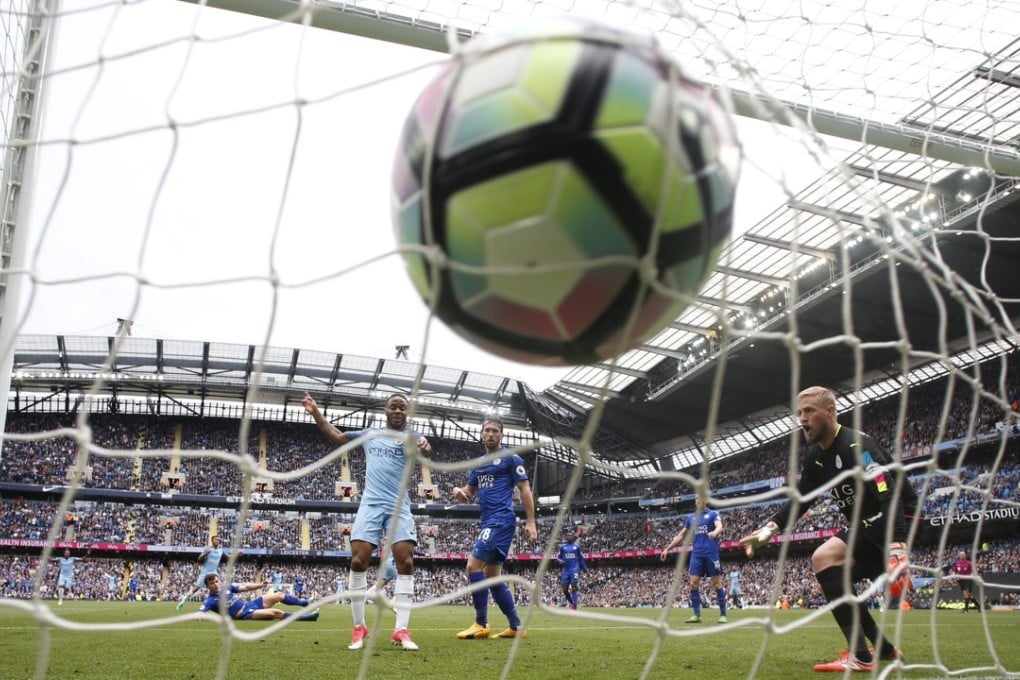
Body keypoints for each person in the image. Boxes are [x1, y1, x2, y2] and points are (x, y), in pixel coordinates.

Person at [739, 386, 914, 673]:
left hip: (896, 515)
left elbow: (887, 490)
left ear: (831, 412)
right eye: (799, 413)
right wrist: (769, 530)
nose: (802, 419)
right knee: (834, 577)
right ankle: (881, 648)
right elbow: (801, 500)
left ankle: (860, 656)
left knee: (824, 558)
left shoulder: (859, 446)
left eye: (809, 411)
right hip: (870, 522)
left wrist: (897, 544)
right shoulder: (815, 458)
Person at [303, 391, 430, 651]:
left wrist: (425, 447)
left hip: (399, 506)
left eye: (402, 407)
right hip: (371, 504)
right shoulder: (370, 434)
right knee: (358, 560)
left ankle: (401, 630)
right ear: (385, 410)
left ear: (407, 412)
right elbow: (337, 437)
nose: (397, 410)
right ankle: (359, 627)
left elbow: (425, 448)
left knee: (406, 562)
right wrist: (316, 413)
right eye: (393, 406)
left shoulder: (412, 437)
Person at [452, 416, 538, 640]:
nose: (490, 434)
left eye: (494, 431)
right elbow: (469, 493)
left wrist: (531, 522)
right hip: (488, 520)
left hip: (500, 520)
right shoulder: (479, 464)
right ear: (482, 434)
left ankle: (481, 623)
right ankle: (516, 627)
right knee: (492, 574)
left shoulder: (511, 458)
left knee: (473, 566)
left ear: (501, 435)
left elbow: (525, 489)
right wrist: (459, 492)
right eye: (487, 430)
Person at [660, 495, 728, 624]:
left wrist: (715, 533)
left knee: (716, 584)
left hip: (711, 554)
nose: (698, 499)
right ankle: (697, 615)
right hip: (696, 554)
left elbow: (719, 526)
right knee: (693, 583)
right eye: (697, 498)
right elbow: (681, 536)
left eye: (700, 497)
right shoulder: (691, 518)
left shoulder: (713, 514)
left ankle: (723, 615)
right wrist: (667, 549)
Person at [198, 574, 319, 622]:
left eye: (216, 581)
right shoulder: (210, 600)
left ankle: (305, 603)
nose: (215, 584)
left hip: (250, 604)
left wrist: (261, 585)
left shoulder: (226, 587)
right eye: (212, 583)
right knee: (276, 612)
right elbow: (201, 611)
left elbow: (245, 586)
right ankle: (308, 618)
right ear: (207, 586)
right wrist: (200, 616)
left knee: (279, 595)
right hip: (245, 613)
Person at [176, 535, 242, 611]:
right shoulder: (207, 549)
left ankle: (223, 604)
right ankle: (183, 601)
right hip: (205, 572)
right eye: (216, 539)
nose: (217, 541)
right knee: (196, 588)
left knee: (218, 587)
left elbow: (229, 557)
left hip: (214, 572)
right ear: (212, 540)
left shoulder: (221, 550)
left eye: (218, 540)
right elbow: (199, 559)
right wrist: (205, 553)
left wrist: (238, 555)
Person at [556, 531, 589, 610]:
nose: (569, 537)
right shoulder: (563, 547)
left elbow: (581, 559)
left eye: (570, 535)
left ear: (573, 537)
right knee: (564, 590)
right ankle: (571, 603)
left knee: (574, 586)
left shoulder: (576, 547)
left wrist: (585, 569)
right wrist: (559, 560)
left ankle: (574, 607)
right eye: (568, 535)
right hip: (566, 570)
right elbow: (558, 557)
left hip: (574, 569)